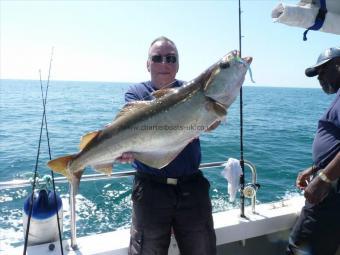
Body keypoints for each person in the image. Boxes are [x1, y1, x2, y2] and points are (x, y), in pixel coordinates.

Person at [121, 36, 217, 255]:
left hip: (191, 186)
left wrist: (213, 114)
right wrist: (126, 150)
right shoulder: (136, 94)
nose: (164, 63)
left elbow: (212, 123)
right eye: (157, 58)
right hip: (150, 188)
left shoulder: (193, 90)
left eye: (171, 58)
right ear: (147, 64)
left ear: (178, 64)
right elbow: (129, 129)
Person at [287, 47, 340, 255]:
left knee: (299, 249)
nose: (319, 78)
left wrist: (325, 178)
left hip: (331, 194)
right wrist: (315, 168)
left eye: (323, 71)